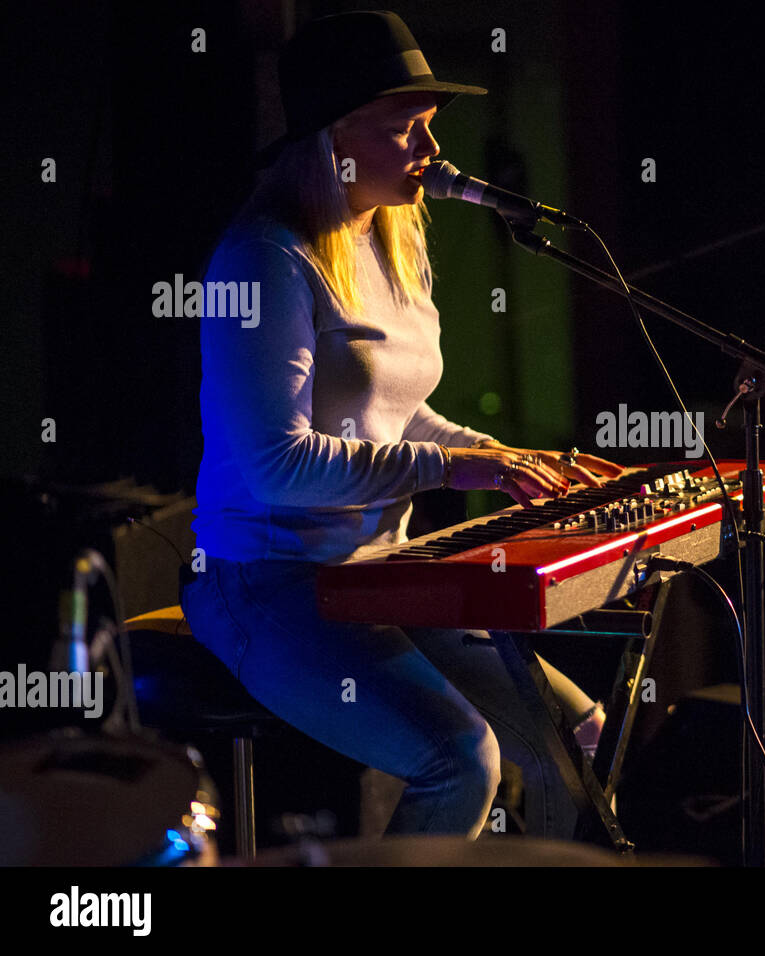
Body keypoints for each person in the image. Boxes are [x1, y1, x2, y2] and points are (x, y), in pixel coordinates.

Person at [179, 11, 622, 840]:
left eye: (427, 128)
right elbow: (277, 464)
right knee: (463, 758)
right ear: (332, 139)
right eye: (405, 128)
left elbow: (398, 414)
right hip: (267, 580)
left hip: (379, 571)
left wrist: (496, 455)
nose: (432, 151)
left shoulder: (390, 238)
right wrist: (449, 471)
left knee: (583, 732)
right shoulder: (264, 258)